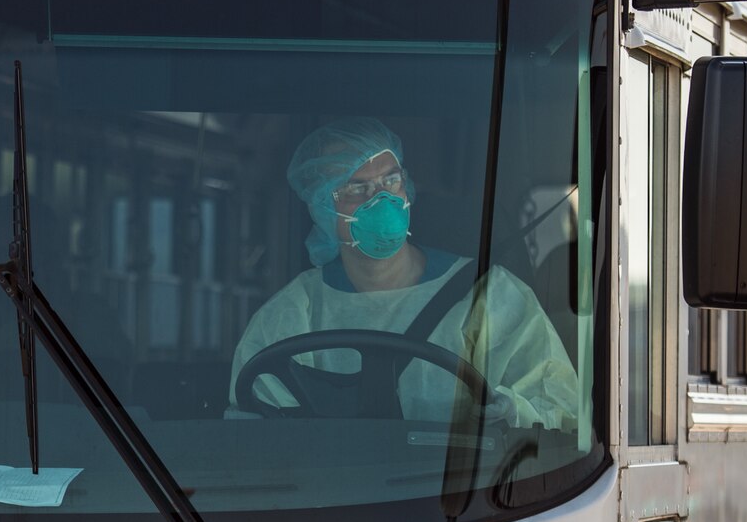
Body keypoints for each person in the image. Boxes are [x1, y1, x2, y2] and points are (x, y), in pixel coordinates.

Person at [227, 117, 578, 429]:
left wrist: (512, 413)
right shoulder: (292, 314)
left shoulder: (490, 295)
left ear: (406, 187)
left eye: (390, 180)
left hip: (467, 499)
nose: (382, 199)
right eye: (356, 188)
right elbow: (254, 435)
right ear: (322, 206)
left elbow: (561, 411)